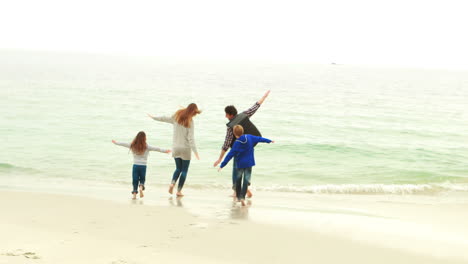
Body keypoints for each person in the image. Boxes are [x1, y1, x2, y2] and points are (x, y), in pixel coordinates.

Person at [213, 90, 271, 197]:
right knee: (247, 167)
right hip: (249, 147)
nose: (225, 116)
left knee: (237, 169)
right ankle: (245, 188)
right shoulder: (244, 114)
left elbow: (226, 144)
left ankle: (236, 191)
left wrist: (220, 159)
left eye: (226, 114)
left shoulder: (231, 127)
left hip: (239, 150)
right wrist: (264, 96)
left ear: (230, 115)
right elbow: (256, 106)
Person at [147, 103, 201, 197]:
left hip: (175, 148)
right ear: (193, 112)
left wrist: (154, 117)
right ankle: (179, 191)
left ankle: (172, 183)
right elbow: (191, 139)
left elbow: (164, 118)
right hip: (185, 148)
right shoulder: (190, 122)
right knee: (184, 170)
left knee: (178, 168)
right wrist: (195, 152)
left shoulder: (176, 117)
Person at [218, 125, 274, 206]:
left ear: (234, 134)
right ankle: (242, 197)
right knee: (246, 180)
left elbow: (230, 155)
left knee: (238, 180)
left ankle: (238, 197)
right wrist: (269, 141)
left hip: (240, 164)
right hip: (249, 163)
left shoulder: (236, 143)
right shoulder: (250, 137)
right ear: (243, 131)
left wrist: (222, 165)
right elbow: (259, 139)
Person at [112, 131, 171, 200]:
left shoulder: (132, 145)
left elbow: (123, 144)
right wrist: (165, 151)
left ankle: (134, 195)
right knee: (142, 179)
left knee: (135, 180)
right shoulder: (147, 146)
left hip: (135, 166)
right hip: (143, 166)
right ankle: (140, 188)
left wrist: (116, 142)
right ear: (144, 138)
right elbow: (157, 149)